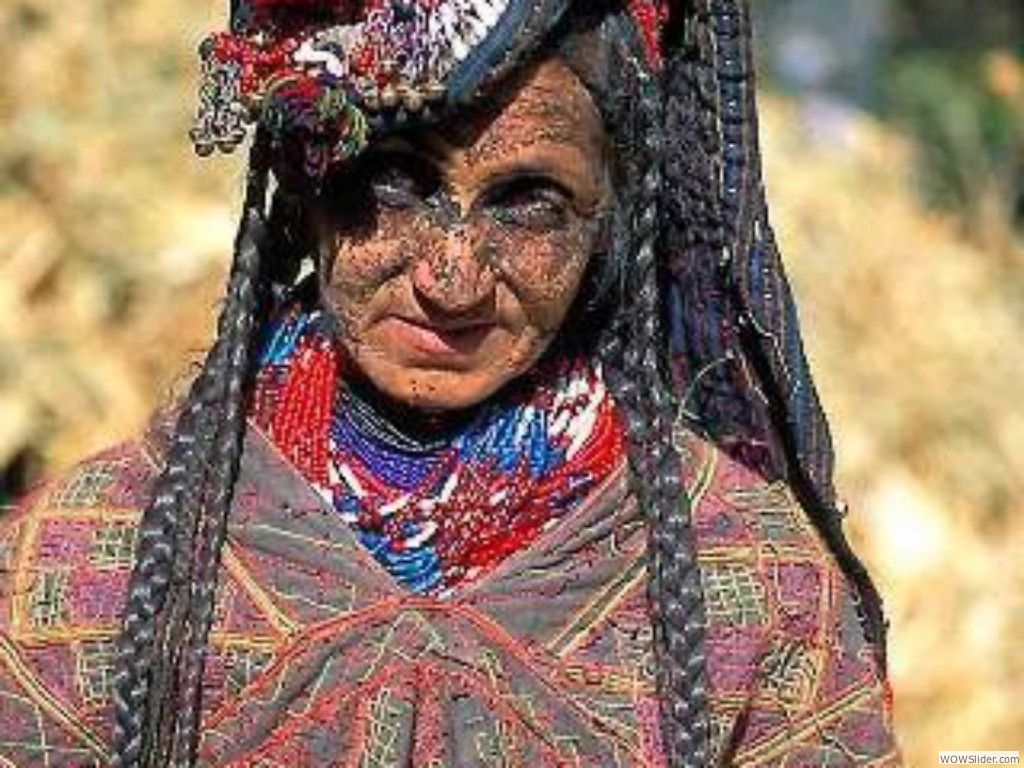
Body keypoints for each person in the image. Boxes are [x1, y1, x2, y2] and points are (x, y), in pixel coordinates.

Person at [0, 1, 901, 766]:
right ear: (304, 186)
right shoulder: (93, 561)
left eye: (530, 203)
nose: (452, 277)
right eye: (392, 186)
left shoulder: (754, 586)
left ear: (612, 224)